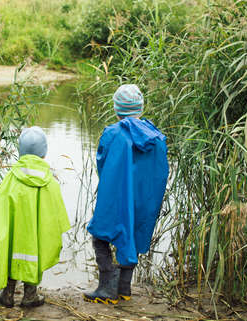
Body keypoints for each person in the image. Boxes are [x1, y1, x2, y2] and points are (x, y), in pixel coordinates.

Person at [83, 84, 169, 304]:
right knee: (131, 234)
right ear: (141, 108)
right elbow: (160, 170)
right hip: (144, 200)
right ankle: (124, 288)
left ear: (116, 109)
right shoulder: (156, 136)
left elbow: (102, 164)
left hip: (116, 197)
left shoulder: (113, 133)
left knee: (100, 234)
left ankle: (107, 287)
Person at [0, 126, 70, 308]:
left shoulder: (11, 179)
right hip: (35, 237)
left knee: (10, 250)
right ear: (44, 153)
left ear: (20, 151)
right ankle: (30, 295)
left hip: (14, 235)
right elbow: (57, 215)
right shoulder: (50, 182)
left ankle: (7, 294)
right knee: (35, 252)